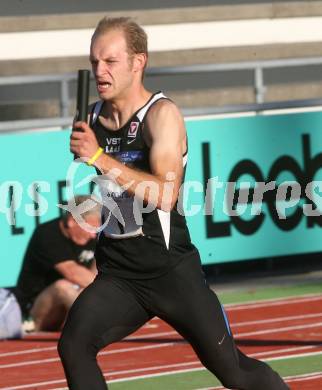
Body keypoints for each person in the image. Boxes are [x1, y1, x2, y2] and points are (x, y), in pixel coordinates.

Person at [58, 17, 289, 390]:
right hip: (120, 277)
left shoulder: (162, 115)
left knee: (233, 372)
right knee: (73, 344)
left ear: (138, 62)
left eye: (110, 62)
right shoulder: (93, 117)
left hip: (171, 274)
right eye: (94, 62)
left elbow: (166, 195)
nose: (100, 71)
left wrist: (99, 156)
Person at [14, 195, 100, 332]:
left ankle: (98, 321)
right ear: (72, 221)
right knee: (63, 287)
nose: (93, 235)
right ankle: (100, 321)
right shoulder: (46, 234)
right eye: (90, 228)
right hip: (36, 311)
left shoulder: (95, 236)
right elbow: (73, 273)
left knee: (102, 262)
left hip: (69, 308)